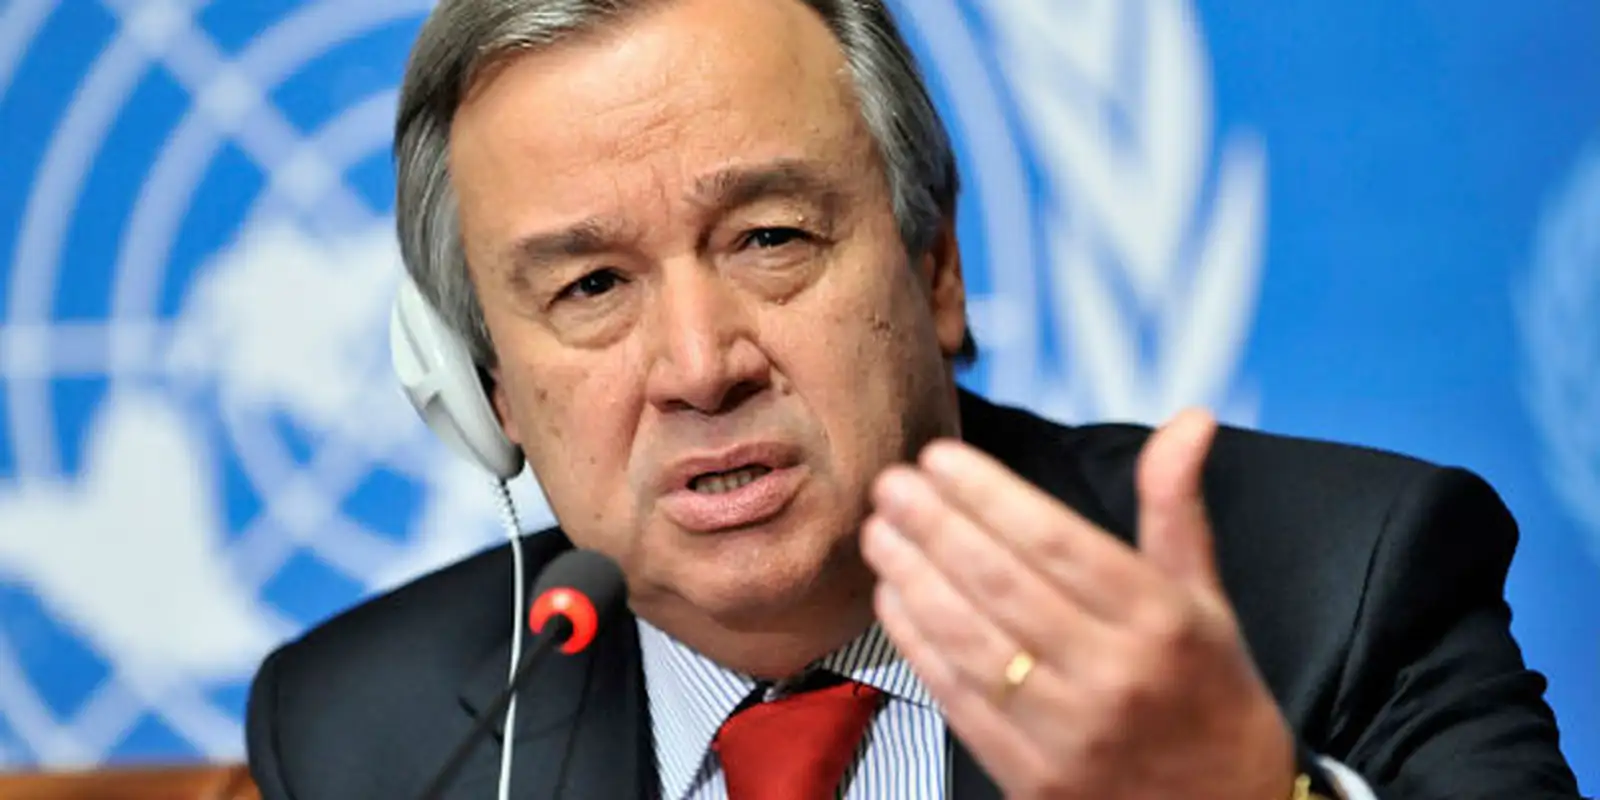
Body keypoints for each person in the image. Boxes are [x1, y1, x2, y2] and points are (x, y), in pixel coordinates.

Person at [244, 0, 1582, 797]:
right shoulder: (366, 734)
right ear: (488, 390)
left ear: (936, 267)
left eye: (771, 238)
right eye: (591, 286)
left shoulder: (1339, 583)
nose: (701, 365)